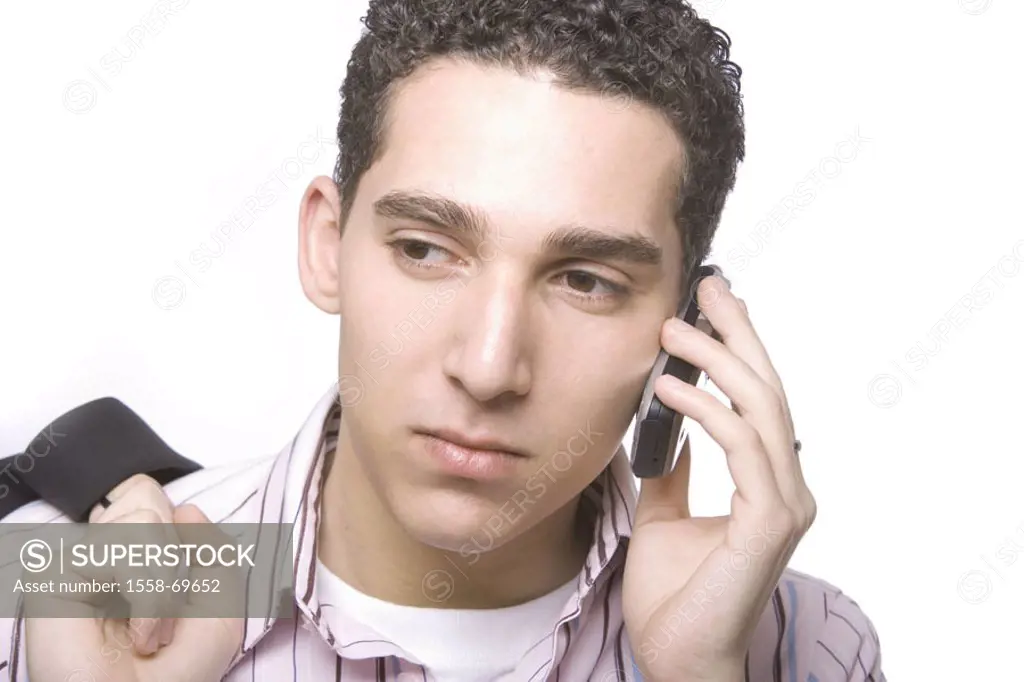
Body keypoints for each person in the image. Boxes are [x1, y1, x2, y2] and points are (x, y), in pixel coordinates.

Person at [3, 0, 885, 680]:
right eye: (426, 250)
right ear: (327, 245)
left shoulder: (810, 649)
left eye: (585, 279)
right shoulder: (49, 593)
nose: (489, 366)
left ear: (688, 330)